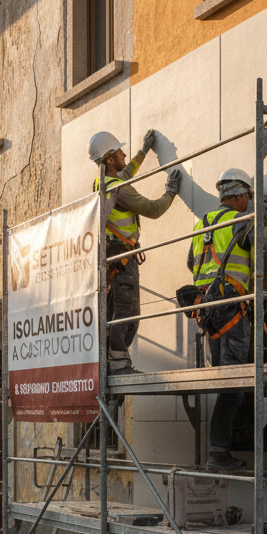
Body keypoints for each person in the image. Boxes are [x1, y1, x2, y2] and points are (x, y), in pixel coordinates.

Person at [187, 168, 267, 471]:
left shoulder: (204, 223)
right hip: (230, 307)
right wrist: (260, 217)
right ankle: (218, 454)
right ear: (240, 196)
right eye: (248, 197)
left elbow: (191, 261)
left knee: (228, 380)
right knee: (234, 383)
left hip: (208, 309)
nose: (249, 201)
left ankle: (217, 452)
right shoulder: (242, 220)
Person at [89, 129, 182, 374]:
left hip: (114, 257)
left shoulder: (103, 182)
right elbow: (152, 209)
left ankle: (112, 361)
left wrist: (143, 152)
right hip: (122, 257)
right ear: (109, 159)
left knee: (119, 309)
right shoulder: (119, 188)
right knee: (127, 311)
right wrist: (171, 192)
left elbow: (125, 173)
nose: (124, 153)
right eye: (119, 151)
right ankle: (118, 364)